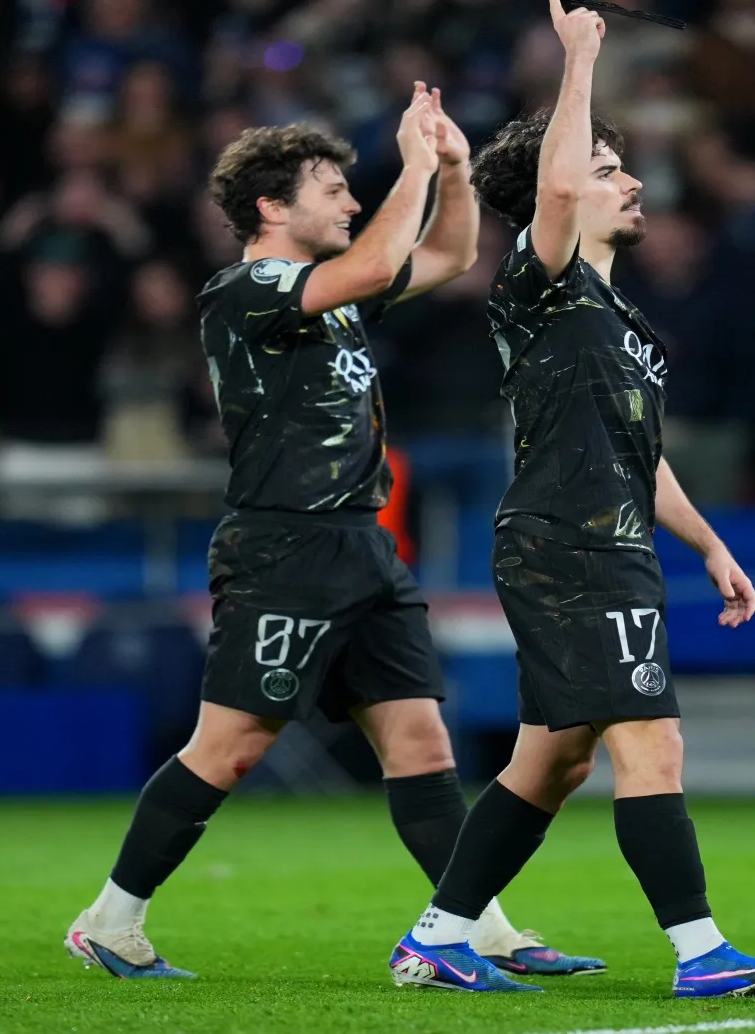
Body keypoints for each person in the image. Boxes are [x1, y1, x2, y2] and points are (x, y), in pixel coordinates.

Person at [63, 87, 602, 980]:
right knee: (230, 748)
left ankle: (478, 928)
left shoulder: (332, 296)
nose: (351, 201)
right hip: (286, 547)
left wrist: (454, 169)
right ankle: (110, 921)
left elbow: (448, 255)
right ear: (272, 208)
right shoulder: (246, 290)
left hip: (363, 544)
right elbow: (378, 256)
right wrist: (413, 166)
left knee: (421, 744)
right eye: (332, 189)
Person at [386, 0, 755, 999]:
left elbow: (639, 457)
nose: (631, 182)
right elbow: (562, 183)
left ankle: (437, 937)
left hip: (602, 541)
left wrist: (709, 544)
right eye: (610, 170)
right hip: (569, 547)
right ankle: (701, 952)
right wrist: (579, 59)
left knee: (552, 763)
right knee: (651, 741)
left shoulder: (616, 317)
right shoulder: (543, 281)